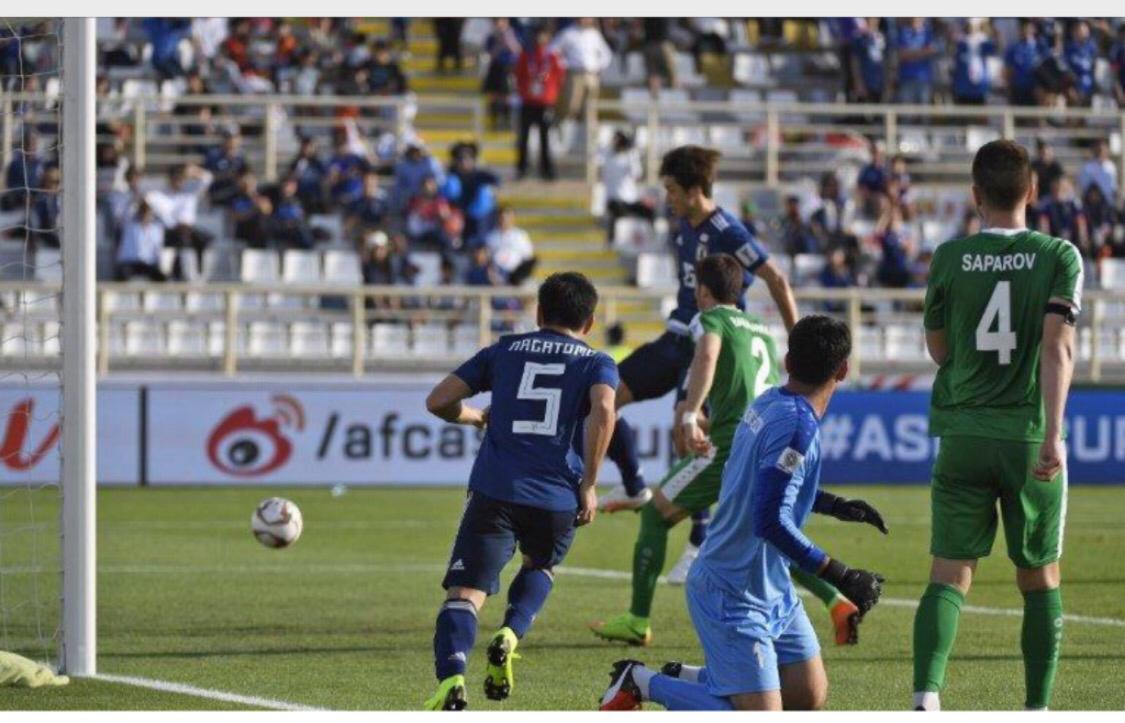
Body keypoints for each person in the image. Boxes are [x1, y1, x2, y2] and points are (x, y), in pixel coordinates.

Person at [598, 315, 887, 711]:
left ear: (787, 361)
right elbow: (769, 520)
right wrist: (842, 575)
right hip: (732, 590)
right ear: (843, 369)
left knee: (807, 695)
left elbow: (766, 482)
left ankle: (692, 677)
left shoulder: (769, 401)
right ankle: (641, 681)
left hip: (773, 586)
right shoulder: (797, 426)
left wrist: (834, 505)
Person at [590, 256, 872, 649]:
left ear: (702, 292)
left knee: (655, 514)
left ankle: (637, 620)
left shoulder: (710, 320)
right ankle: (834, 599)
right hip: (762, 434)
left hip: (731, 443)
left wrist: (690, 412)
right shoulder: (760, 329)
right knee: (766, 529)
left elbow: (707, 355)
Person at [912, 140, 1083, 712]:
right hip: (1028, 435)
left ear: (975, 195)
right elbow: (1057, 348)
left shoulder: (948, 257)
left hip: (962, 434)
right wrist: (1054, 433)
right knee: (1039, 577)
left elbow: (938, 351)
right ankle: (1036, 708)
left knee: (949, 574)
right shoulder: (1059, 255)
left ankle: (925, 699)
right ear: (1032, 191)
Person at [423, 272, 618, 711]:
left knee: (465, 594)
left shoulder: (505, 350)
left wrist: (476, 417)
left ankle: (453, 678)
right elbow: (605, 408)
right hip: (556, 496)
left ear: (538, 312)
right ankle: (510, 633)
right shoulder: (596, 361)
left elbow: (437, 401)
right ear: (588, 323)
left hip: (496, 490)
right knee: (541, 566)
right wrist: (589, 484)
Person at [595, 146, 798, 543]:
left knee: (687, 432)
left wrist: (799, 340)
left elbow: (775, 277)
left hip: (708, 340)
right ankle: (636, 485)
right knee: (606, 394)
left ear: (693, 190)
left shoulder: (727, 229)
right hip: (678, 334)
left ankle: (698, 540)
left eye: (671, 189)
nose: (665, 198)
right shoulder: (684, 226)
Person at [514, 26, 565, 181]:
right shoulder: (526, 55)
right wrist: (525, 91)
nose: (540, 39)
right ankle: (522, 168)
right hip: (528, 101)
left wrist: (551, 95)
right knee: (523, 137)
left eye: (543, 36)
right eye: (538, 36)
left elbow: (560, 77)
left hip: (545, 102)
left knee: (546, 138)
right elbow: (519, 75)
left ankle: (547, 169)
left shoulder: (553, 56)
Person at [550, 18, 612, 123]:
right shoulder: (568, 33)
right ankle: (568, 132)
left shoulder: (595, 34)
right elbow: (553, 51)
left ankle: (588, 135)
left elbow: (606, 54)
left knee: (591, 107)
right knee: (572, 105)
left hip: (592, 74)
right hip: (575, 74)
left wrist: (599, 66)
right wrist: (564, 64)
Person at [601, 130, 653, 244]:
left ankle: (651, 239)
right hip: (614, 200)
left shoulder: (628, 157)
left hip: (629, 201)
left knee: (649, 211)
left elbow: (637, 174)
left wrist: (632, 154)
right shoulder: (609, 157)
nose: (614, 143)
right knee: (614, 212)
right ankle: (611, 241)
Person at [481, 19, 522, 130]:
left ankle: (507, 120)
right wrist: (498, 44)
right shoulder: (491, 37)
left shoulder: (514, 35)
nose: (500, 25)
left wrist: (508, 41)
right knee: (493, 95)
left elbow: (518, 51)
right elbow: (489, 54)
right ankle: (494, 120)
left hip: (508, 68)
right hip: (495, 67)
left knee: (506, 96)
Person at [485, 206, 537, 286]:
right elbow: (487, 259)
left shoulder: (521, 236)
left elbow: (528, 257)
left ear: (513, 218)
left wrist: (519, 275)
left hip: (517, 277)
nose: (504, 220)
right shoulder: (491, 237)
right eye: (502, 217)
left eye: (507, 217)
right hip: (496, 278)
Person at [115, 200, 166, 281]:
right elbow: (123, 215)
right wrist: (134, 201)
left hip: (148, 264)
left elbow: (158, 248)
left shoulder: (156, 229)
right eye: (142, 212)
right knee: (122, 275)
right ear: (139, 213)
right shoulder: (129, 226)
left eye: (147, 212)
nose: (145, 215)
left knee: (162, 277)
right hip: (130, 263)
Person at [951, 18, 997, 105]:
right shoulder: (960, 43)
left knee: (980, 114)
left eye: (974, 26)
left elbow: (995, 49)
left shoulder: (984, 42)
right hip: (963, 87)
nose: (972, 29)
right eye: (970, 26)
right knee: (964, 114)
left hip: (980, 87)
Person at [894, 18, 937, 105]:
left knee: (924, 113)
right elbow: (901, 54)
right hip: (906, 77)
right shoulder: (903, 32)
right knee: (906, 113)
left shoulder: (928, 33)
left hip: (924, 78)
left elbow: (931, 51)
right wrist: (921, 52)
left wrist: (910, 54)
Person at [1005, 19, 1042, 107]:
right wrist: (1009, 89)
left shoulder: (1040, 46)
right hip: (1018, 89)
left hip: (1035, 89)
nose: (1026, 31)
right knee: (1018, 117)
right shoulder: (1013, 48)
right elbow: (1008, 70)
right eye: (1024, 28)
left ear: (1034, 30)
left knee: (1034, 117)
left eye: (1029, 28)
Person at [1077, 139, 1118, 203]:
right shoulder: (1087, 167)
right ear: (1094, 151)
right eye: (1099, 150)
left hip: (1108, 203)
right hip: (1092, 203)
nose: (1101, 152)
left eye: (1104, 150)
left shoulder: (1111, 166)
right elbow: (1084, 187)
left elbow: (1113, 187)